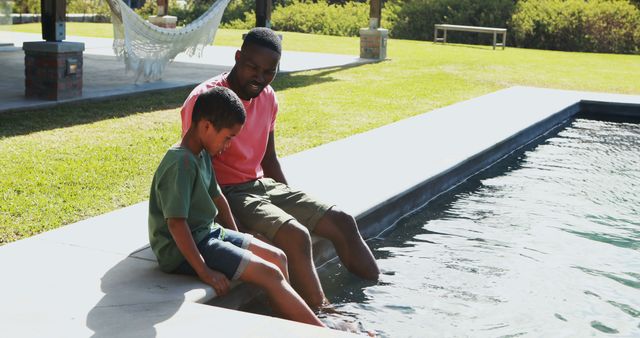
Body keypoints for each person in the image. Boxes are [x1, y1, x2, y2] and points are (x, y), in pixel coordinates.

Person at [180, 28, 380, 308]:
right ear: (238, 58)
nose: (259, 78)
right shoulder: (207, 99)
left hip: (261, 186)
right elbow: (194, 167)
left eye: (269, 71)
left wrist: (291, 201)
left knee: (343, 221)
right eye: (252, 67)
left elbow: (269, 158)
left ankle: (380, 294)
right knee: (296, 236)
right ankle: (323, 316)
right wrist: (233, 230)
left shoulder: (268, 96)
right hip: (226, 192)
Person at [149, 86, 323, 326]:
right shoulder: (181, 163)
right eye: (228, 137)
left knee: (278, 257)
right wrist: (204, 271)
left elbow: (218, 198)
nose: (229, 145)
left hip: (207, 234)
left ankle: (289, 321)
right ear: (207, 126)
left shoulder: (201, 154)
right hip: (181, 251)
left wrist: (239, 236)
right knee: (269, 273)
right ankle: (322, 331)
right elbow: (176, 225)